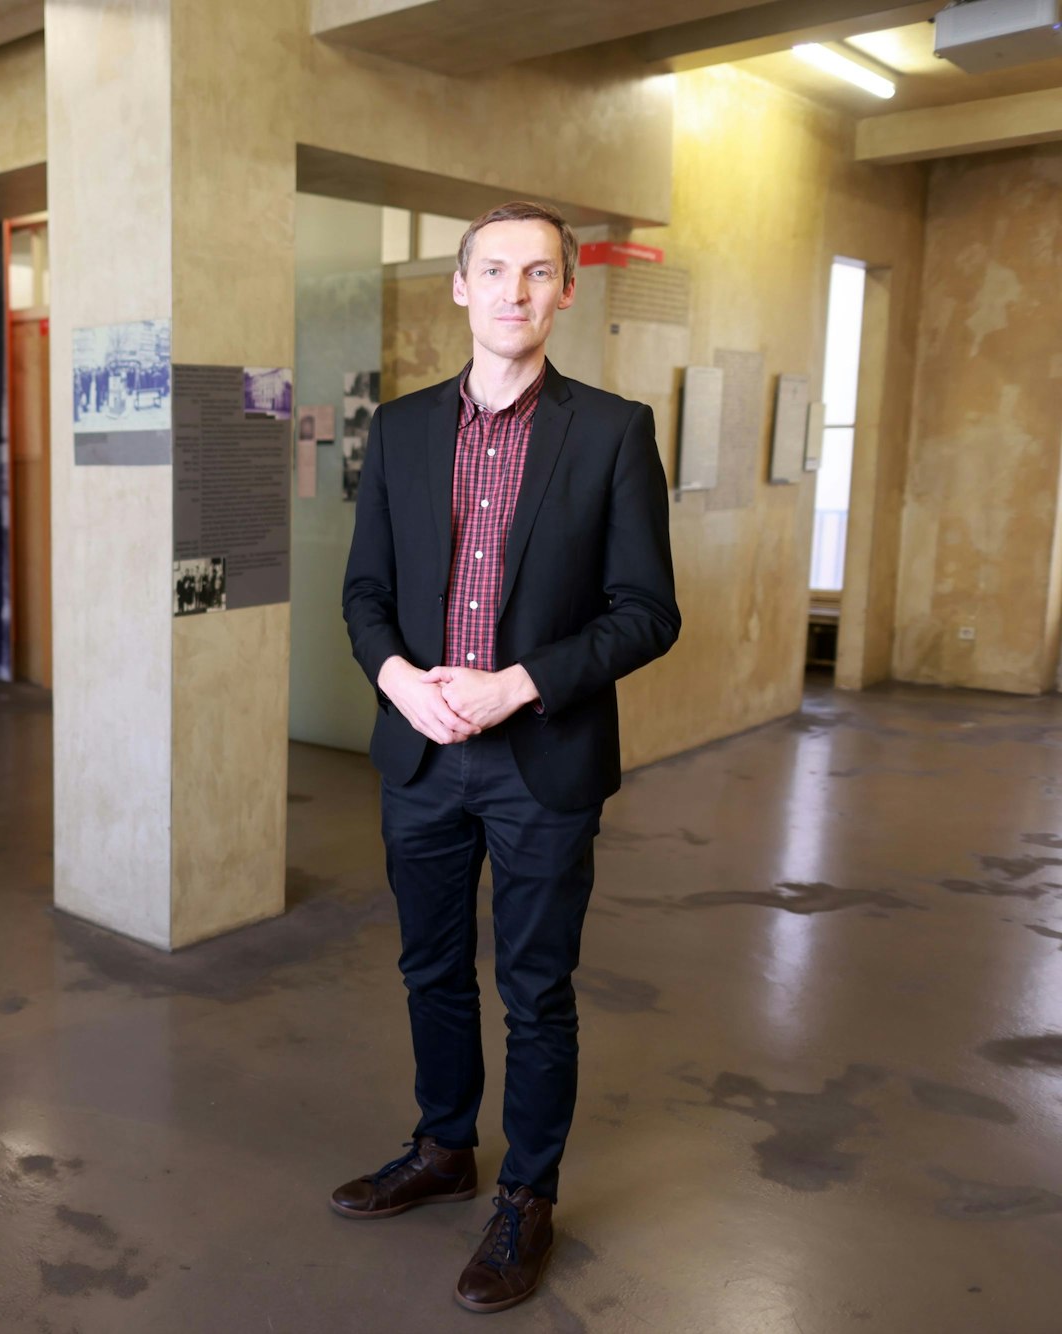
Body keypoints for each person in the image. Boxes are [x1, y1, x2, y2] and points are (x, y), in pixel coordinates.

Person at [334, 201, 680, 1314]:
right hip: (420, 757)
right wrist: (399, 681)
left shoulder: (613, 429)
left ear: (564, 292)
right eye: (493, 270)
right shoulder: (396, 430)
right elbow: (365, 594)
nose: (512, 291)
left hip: (543, 759)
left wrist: (515, 683)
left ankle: (525, 1196)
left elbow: (646, 612)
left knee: (535, 991)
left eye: (537, 274)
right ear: (459, 286)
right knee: (427, 969)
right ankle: (444, 1147)